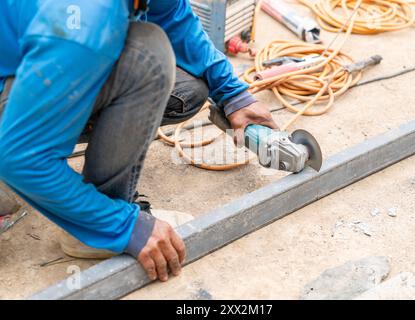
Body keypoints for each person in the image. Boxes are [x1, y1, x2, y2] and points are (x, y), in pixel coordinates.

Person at [0, 0, 277, 282]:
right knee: (147, 58)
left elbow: (171, 14)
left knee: (186, 89)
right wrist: (123, 226)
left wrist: (232, 94)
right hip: (39, 66)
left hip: (39, 52)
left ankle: (81, 193)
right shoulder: (84, 20)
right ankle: (96, 229)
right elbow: (18, 158)